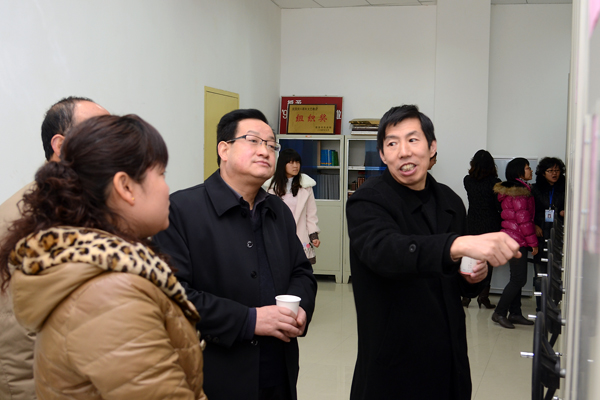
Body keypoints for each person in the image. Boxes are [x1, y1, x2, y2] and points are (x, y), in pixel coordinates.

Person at [0, 114, 206, 400]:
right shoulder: (112, 296)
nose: (167, 188)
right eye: (161, 174)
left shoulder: (102, 271)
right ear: (125, 187)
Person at [346, 104, 520, 400]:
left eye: (413, 140)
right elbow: (385, 250)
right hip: (393, 364)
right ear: (383, 154)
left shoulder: (451, 202)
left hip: (448, 358)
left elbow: (460, 278)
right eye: (392, 143)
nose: (404, 152)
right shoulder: (368, 200)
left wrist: (474, 276)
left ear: (432, 147)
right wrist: (457, 245)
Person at [153, 109, 317, 400]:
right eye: (253, 141)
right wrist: (249, 320)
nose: (265, 151)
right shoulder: (180, 210)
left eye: (271, 145)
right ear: (224, 149)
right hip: (215, 374)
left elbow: (301, 271)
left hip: (278, 370)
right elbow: (172, 296)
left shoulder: (277, 210)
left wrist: (300, 306)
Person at [0, 96, 109, 400]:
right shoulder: (26, 217)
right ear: (60, 145)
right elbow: (15, 333)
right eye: (98, 132)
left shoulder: (87, 206)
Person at [491, 157, 538, 329]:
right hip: (517, 240)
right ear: (519, 172)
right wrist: (533, 243)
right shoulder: (519, 193)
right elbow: (524, 221)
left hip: (512, 238)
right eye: (527, 168)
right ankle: (499, 312)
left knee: (516, 278)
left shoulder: (516, 190)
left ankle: (515, 313)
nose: (530, 170)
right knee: (519, 279)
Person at [264, 148, 321, 264]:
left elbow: (311, 213)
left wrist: (313, 235)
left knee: (300, 268)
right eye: (291, 162)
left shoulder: (306, 186)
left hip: (300, 234)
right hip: (278, 235)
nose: (295, 166)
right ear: (282, 164)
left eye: (297, 162)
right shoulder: (271, 187)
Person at [461, 149, 502, 309]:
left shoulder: (467, 181)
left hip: (472, 222)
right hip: (490, 223)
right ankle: (483, 296)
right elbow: (498, 205)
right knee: (488, 261)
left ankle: (466, 296)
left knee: (470, 260)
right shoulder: (495, 183)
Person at [531, 157, 566, 311]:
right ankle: (541, 308)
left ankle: (553, 307)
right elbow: (529, 211)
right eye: (550, 171)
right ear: (543, 173)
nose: (554, 173)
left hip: (558, 234)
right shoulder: (535, 189)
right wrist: (534, 225)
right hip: (540, 234)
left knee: (556, 275)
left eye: (557, 170)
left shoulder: (565, 188)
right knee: (540, 274)